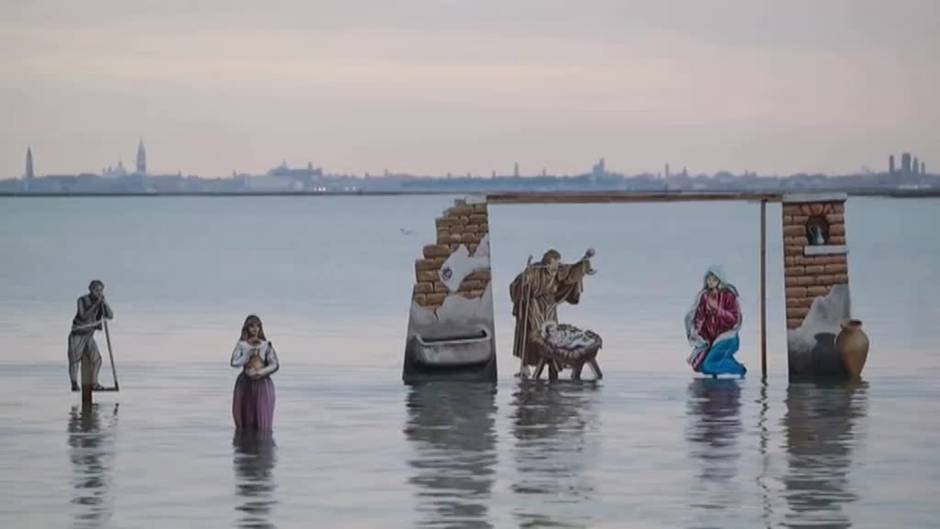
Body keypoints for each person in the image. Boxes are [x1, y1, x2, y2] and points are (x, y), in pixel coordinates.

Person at [509, 248, 596, 376]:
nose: (556, 268)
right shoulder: (534, 271)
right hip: (534, 306)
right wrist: (524, 279)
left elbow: (569, 272)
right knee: (533, 334)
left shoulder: (556, 270)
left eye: (557, 265)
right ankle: (525, 365)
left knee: (552, 336)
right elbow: (517, 285)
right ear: (548, 263)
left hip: (549, 306)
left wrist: (584, 262)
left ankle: (552, 364)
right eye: (554, 265)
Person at [684, 266, 746, 377]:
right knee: (699, 365)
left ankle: (739, 369)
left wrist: (717, 309)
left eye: (714, 279)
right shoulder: (704, 297)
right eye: (709, 279)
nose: (711, 282)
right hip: (711, 340)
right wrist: (696, 332)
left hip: (727, 339)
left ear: (720, 280)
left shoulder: (729, 296)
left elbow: (734, 319)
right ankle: (719, 385)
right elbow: (700, 316)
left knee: (708, 366)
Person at [231, 315, 279, 431]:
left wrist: (260, 372)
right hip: (245, 384)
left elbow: (274, 364)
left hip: (263, 385)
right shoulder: (241, 345)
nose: (255, 329)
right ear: (246, 328)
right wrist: (247, 356)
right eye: (252, 326)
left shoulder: (266, 345)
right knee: (245, 415)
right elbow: (234, 362)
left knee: (261, 415)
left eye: (257, 326)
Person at [68, 280, 113, 391]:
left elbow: (110, 315)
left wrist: (104, 303)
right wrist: (96, 304)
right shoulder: (82, 300)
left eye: (101, 290)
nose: (99, 292)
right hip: (77, 334)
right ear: (91, 289)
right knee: (74, 360)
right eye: (96, 290)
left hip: (89, 335)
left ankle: (94, 383)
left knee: (97, 359)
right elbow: (83, 316)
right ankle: (74, 384)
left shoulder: (100, 302)